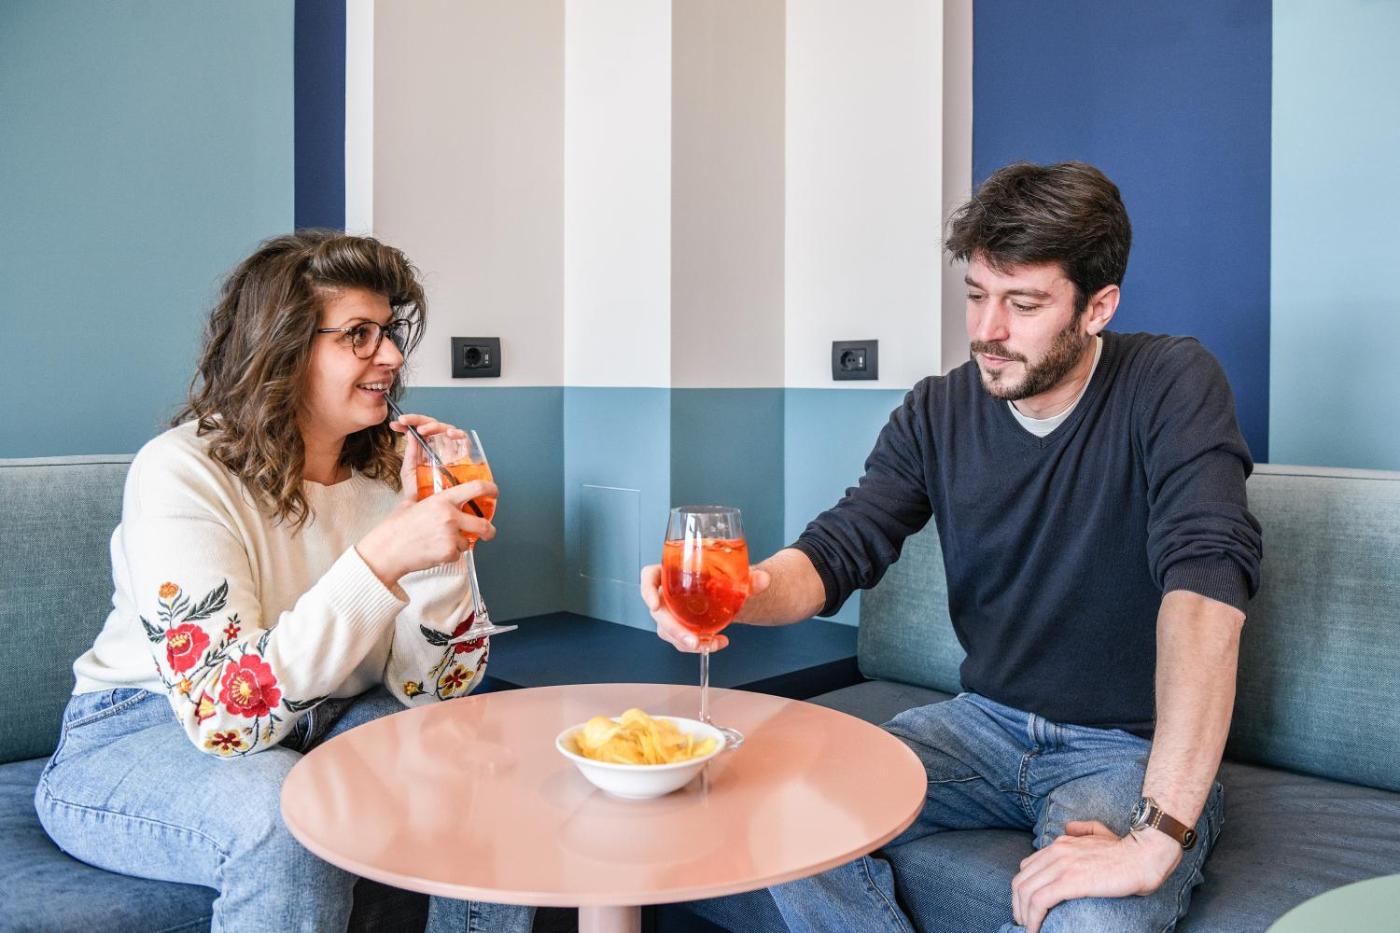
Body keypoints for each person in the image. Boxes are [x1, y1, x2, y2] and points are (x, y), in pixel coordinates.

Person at [642, 162, 1262, 933]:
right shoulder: (937, 410)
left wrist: (1156, 836)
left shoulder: (1171, 383)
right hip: (980, 725)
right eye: (976, 295)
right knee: (782, 803)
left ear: (1098, 307)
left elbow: (1206, 591)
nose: (986, 330)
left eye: (1023, 303)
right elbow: (836, 550)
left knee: (1095, 917)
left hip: (1121, 749)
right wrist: (739, 590)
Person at [34, 231, 535, 932]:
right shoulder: (181, 471)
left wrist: (440, 545)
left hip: (331, 716)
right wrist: (382, 558)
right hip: (143, 729)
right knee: (289, 814)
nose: (391, 357)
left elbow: (436, 689)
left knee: (481, 769)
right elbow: (226, 714)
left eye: (389, 331)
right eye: (358, 334)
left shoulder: (393, 471)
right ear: (283, 348)